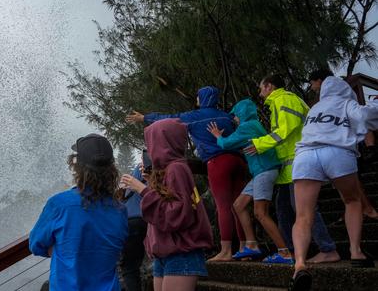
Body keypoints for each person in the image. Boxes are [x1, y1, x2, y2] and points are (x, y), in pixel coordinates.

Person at [126, 86, 246, 261]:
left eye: (198, 96)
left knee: (223, 206)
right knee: (238, 206)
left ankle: (226, 250)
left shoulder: (195, 117)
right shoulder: (226, 116)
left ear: (202, 99)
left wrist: (145, 117)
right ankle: (245, 246)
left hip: (217, 162)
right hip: (238, 160)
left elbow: (170, 120)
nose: (196, 99)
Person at [289, 76, 378, 290]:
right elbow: (366, 116)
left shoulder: (314, 109)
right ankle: (355, 252)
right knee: (352, 200)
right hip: (338, 153)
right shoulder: (347, 103)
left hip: (306, 155)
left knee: (303, 216)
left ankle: (300, 265)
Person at [244, 75, 339, 264]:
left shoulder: (283, 99)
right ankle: (291, 252)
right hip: (292, 166)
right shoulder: (286, 100)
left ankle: (327, 249)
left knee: (302, 209)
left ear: (269, 86)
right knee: (284, 210)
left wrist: (260, 143)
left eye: (261, 88)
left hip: (298, 163)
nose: (260, 93)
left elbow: (285, 130)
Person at [120, 119, 213, 291]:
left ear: (163, 143)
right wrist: (151, 183)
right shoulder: (170, 170)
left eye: (152, 142)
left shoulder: (176, 169)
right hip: (166, 251)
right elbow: (168, 203)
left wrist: (142, 189)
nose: (150, 149)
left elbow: (178, 214)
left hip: (181, 252)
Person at [29, 134, 128, 291]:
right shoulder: (119, 209)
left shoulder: (60, 205)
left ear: (77, 167)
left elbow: (36, 244)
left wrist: (63, 250)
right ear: (112, 169)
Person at [207, 98, 293, 264]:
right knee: (238, 205)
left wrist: (218, 135)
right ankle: (252, 245)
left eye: (236, 115)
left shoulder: (247, 127)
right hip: (262, 172)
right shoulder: (255, 125)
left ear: (242, 113)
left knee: (261, 213)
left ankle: (284, 252)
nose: (235, 119)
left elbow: (226, 144)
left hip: (264, 171)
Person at [308, 68, 378, 221]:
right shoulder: (338, 95)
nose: (312, 88)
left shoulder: (338, 96)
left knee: (351, 180)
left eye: (312, 84)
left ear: (320, 81)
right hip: (338, 147)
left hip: (343, 145)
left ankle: (366, 208)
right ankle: (356, 209)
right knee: (344, 181)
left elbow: (360, 115)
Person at [119, 150, 152, 291]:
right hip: (147, 221)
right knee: (136, 265)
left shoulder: (140, 169)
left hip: (132, 221)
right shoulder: (155, 171)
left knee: (129, 268)